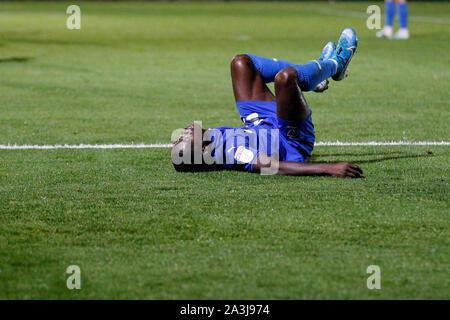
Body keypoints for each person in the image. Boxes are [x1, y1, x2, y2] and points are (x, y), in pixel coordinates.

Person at [172, 28, 363, 178]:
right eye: (183, 141)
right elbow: (273, 167)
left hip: (261, 123)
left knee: (241, 63)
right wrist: (328, 168)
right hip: (291, 139)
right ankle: (335, 65)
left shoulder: (211, 140)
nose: (181, 135)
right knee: (286, 78)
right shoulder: (235, 153)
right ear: (202, 150)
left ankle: (313, 75)